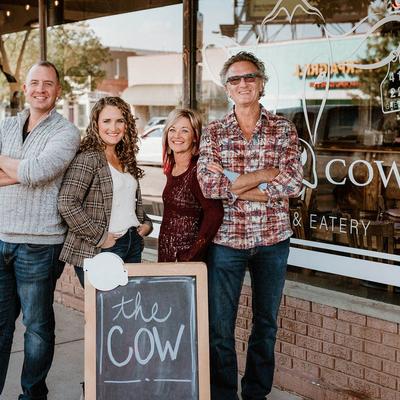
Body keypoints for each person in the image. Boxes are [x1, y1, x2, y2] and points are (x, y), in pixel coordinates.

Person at [197, 51, 303, 400]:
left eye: (250, 77)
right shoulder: (214, 132)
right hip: (227, 242)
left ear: (261, 84)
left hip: (273, 241)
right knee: (219, 328)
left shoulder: (284, 129)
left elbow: (292, 184)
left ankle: (256, 394)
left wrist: (233, 181)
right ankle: (224, 395)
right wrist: (261, 179)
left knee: (266, 325)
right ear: (227, 88)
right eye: (235, 79)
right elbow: (208, 187)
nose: (243, 84)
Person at [0, 61, 81, 400]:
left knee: (37, 329)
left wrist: (16, 169)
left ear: (58, 91)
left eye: (48, 83)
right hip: (2, 238)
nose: (41, 89)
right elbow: (32, 172)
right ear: (24, 88)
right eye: (35, 82)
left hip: (40, 244)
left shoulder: (66, 132)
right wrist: (27, 172)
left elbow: (42, 170)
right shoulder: (6, 125)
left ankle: (32, 396)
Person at [58, 96, 153, 287]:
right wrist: (101, 238)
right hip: (103, 248)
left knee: (127, 310)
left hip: (132, 242)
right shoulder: (89, 158)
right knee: (105, 313)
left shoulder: (125, 157)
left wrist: (146, 223)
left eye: (120, 121)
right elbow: (67, 202)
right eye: (107, 121)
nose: (114, 127)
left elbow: (128, 201)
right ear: (96, 124)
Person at [158, 108, 223, 262]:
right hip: (167, 255)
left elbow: (215, 214)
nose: (177, 136)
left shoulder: (197, 172)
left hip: (186, 260)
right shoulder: (172, 168)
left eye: (184, 131)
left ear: (195, 137)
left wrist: (192, 255)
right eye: (172, 130)